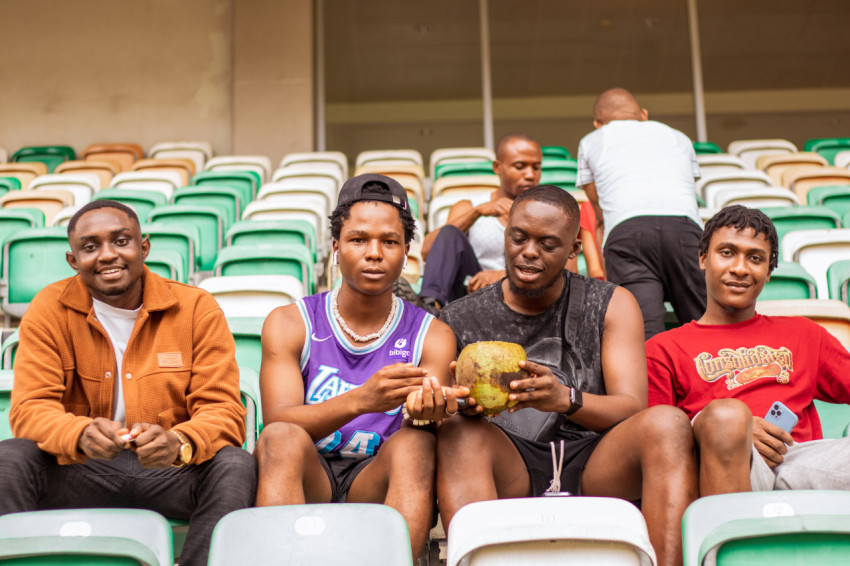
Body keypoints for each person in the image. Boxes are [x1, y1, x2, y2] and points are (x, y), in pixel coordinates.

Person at [437, 185, 698, 566]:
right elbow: (438, 408)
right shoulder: (459, 317)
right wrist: (459, 406)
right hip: (510, 463)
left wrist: (566, 399)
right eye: (519, 237)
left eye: (547, 243)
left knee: (668, 423)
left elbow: (631, 407)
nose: (529, 252)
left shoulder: (610, 302)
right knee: (457, 432)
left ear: (574, 249)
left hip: (597, 460)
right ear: (506, 235)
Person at [0, 200, 256, 566]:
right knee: (9, 458)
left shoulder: (196, 308)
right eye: (90, 247)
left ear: (143, 247)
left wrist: (179, 442)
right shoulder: (49, 308)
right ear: (73, 261)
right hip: (81, 469)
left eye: (121, 241)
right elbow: (29, 409)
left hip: (170, 471)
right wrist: (79, 434)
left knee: (236, 464)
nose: (107, 255)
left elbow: (224, 411)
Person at [254, 174, 464, 558]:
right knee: (280, 438)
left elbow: (430, 423)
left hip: (377, 478)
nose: (374, 253)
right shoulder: (290, 321)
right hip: (308, 469)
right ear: (335, 247)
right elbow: (279, 420)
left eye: (389, 242)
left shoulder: (431, 334)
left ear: (406, 252)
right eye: (358, 239)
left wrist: (430, 414)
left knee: (416, 444)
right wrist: (363, 399)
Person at [647, 205, 850, 495]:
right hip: (719, 466)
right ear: (703, 259)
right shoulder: (663, 349)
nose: (740, 268)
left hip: (805, 461)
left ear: (768, 272)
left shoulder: (804, 334)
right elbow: (657, 446)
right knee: (726, 419)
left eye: (755, 258)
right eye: (727, 253)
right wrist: (731, 432)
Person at [576, 87, 706, 339]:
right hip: (685, 230)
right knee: (706, 322)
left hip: (627, 233)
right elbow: (686, 186)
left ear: (597, 124)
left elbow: (595, 198)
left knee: (643, 332)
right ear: (644, 114)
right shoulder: (677, 136)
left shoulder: (593, 139)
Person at [418, 133, 542, 308]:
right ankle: (429, 311)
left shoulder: (549, 213)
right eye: (520, 166)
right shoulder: (471, 206)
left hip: (526, 297)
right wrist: (476, 213)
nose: (530, 174)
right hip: (471, 295)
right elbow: (427, 251)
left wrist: (504, 276)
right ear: (497, 167)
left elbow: (568, 272)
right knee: (450, 232)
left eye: (536, 167)